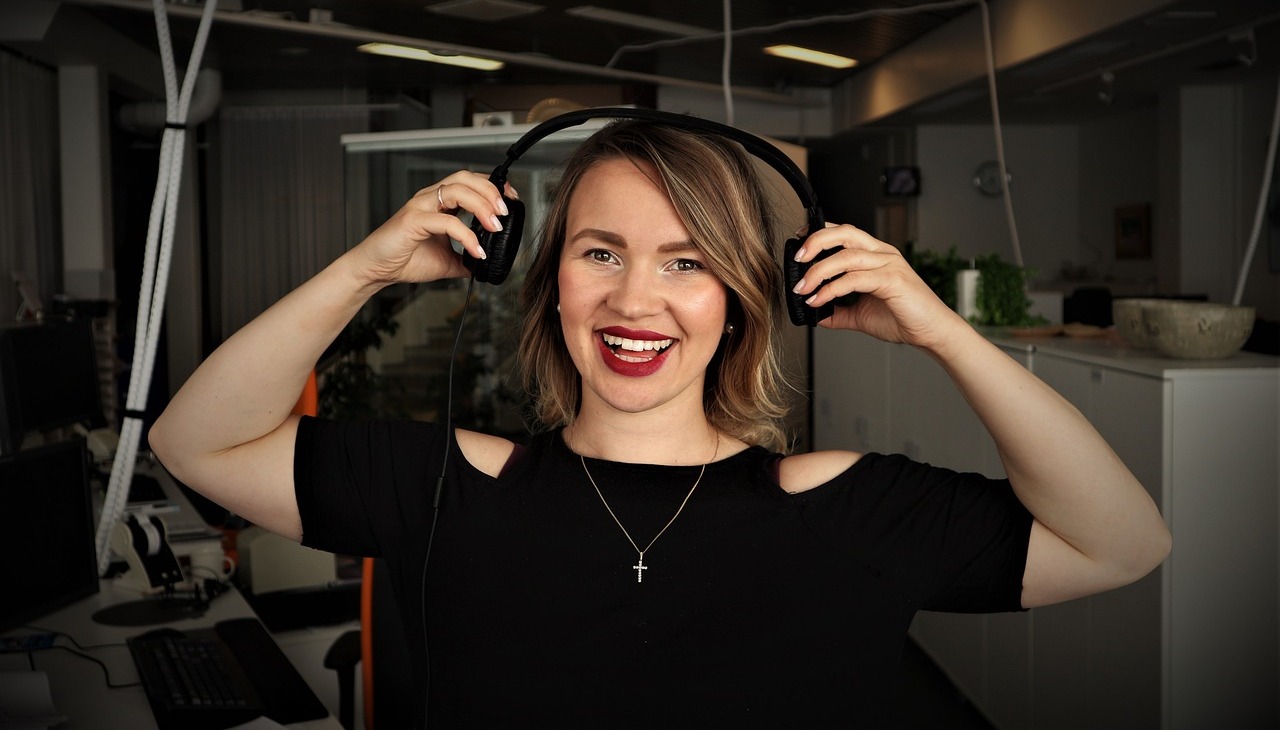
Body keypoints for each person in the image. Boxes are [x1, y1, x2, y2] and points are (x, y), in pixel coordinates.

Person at [149, 116, 1171, 726]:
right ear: (549, 286)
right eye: (600, 252)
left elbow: (1122, 541)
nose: (634, 299)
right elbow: (192, 442)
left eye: (685, 261)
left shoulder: (847, 508)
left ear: (736, 297)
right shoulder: (450, 481)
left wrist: (944, 334)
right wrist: (367, 264)